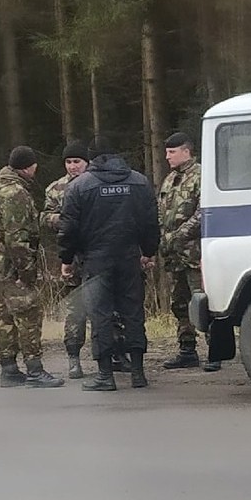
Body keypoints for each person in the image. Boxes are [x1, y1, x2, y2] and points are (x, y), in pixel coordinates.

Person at [58, 136, 160, 391]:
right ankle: (138, 373)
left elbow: (68, 228)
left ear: (92, 159)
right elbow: (150, 222)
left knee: (100, 315)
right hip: (129, 257)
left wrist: (67, 259)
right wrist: (148, 251)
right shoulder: (139, 182)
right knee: (133, 312)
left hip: (96, 259)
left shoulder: (80, 186)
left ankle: (105, 375)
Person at [0, 146, 63, 388]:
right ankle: (34, 369)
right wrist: (27, 272)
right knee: (29, 312)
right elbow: (16, 238)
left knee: (5, 314)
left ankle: (9, 369)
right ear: (29, 167)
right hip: (12, 264)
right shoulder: (15, 193)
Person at [157, 131, 217, 372]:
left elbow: (204, 213)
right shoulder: (170, 180)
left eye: (172, 152)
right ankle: (187, 350)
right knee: (180, 303)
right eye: (166, 152)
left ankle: (216, 351)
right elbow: (162, 212)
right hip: (174, 254)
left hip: (195, 253)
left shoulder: (201, 176)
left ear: (186, 151)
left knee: (204, 302)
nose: (167, 157)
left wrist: (179, 235)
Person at [41, 141, 92, 381]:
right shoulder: (56, 189)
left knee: (106, 308)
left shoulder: (95, 184)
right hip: (70, 254)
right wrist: (64, 221)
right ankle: (74, 358)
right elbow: (45, 216)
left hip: (96, 253)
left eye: (77, 162)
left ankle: (114, 355)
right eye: (69, 162)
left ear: (86, 163)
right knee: (75, 310)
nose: (73, 166)